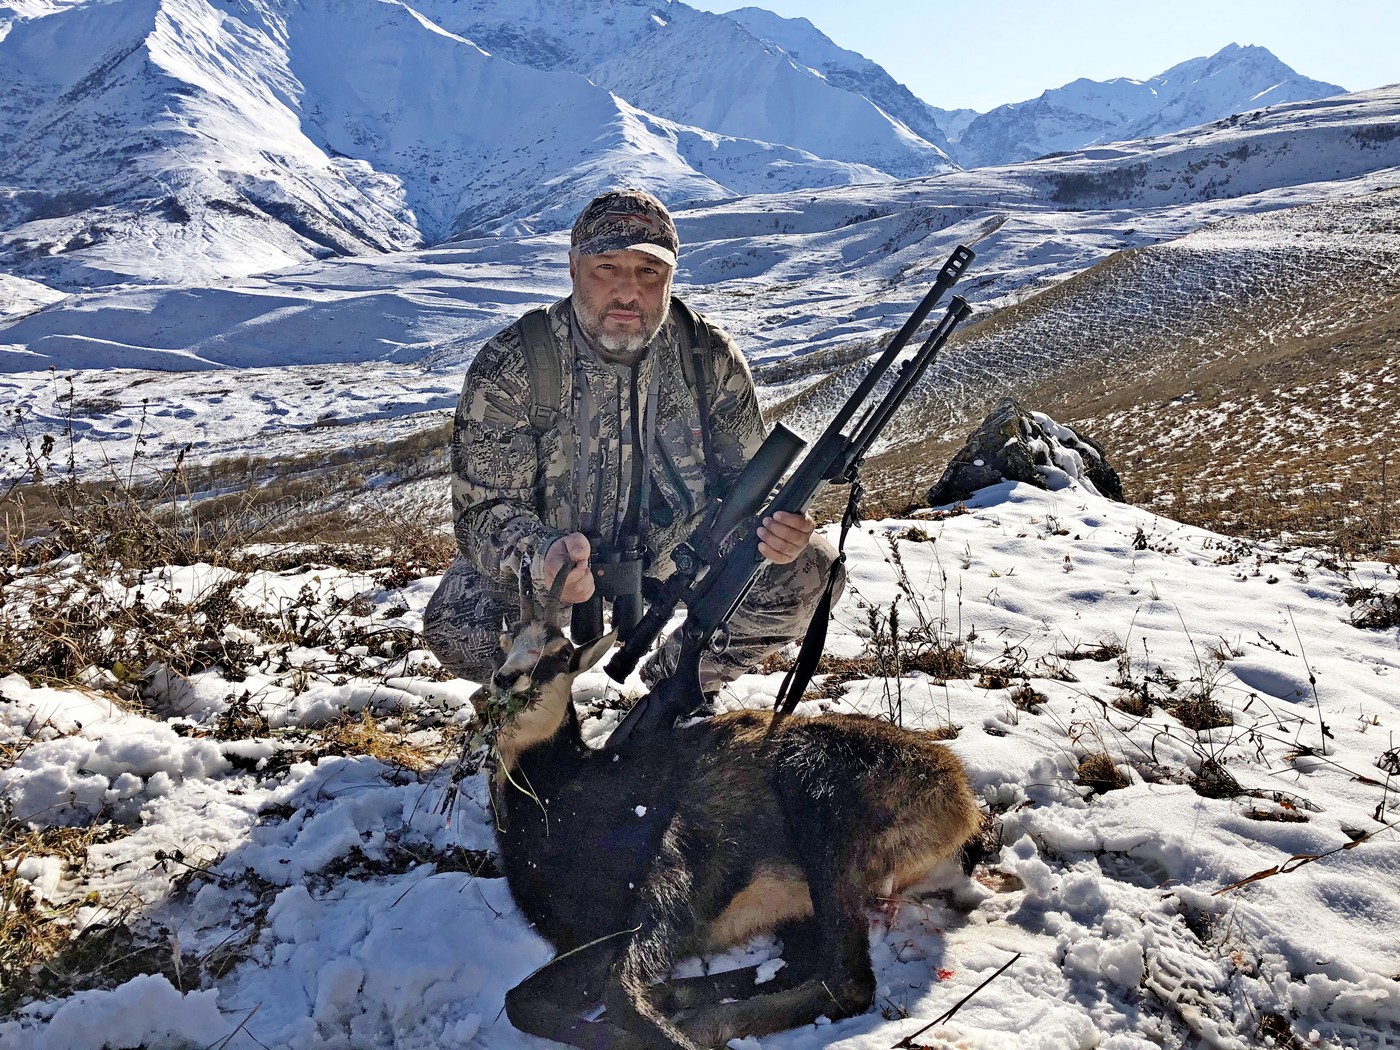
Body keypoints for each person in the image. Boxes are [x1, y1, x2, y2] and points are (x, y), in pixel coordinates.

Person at [423, 188, 843, 691]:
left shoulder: (708, 356)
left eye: (648, 271)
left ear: (670, 277)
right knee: (458, 622)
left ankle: (677, 687)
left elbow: (748, 485)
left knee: (811, 569)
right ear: (574, 267)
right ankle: (543, 708)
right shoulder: (514, 363)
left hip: (679, 554)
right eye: (607, 267)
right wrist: (541, 557)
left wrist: (780, 530)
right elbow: (483, 512)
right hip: (558, 564)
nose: (627, 291)